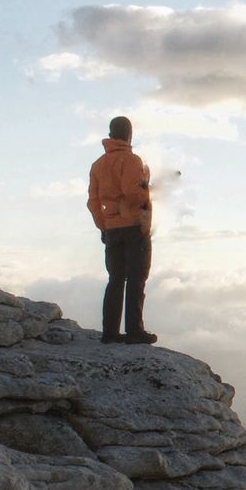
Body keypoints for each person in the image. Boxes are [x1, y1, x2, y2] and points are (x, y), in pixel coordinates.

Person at [87, 116, 157, 345]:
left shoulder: (98, 165)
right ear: (129, 134)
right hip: (134, 226)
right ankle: (135, 331)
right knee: (136, 278)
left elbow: (93, 201)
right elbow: (133, 192)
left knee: (115, 278)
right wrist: (146, 189)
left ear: (110, 134)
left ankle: (110, 333)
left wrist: (103, 226)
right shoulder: (131, 160)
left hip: (111, 229)